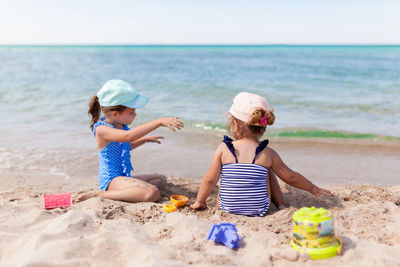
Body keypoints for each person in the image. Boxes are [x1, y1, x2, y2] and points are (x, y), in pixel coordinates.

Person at [190, 92, 332, 216]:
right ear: (263, 127)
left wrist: (200, 201)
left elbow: (210, 180)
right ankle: (280, 204)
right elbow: (291, 177)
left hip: (226, 209)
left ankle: (229, 202)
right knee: (266, 168)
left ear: (235, 125)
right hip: (258, 209)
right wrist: (313, 188)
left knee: (230, 171)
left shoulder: (224, 148)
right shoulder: (268, 154)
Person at [74, 79, 184, 203]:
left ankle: (126, 191)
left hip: (122, 177)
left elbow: (124, 147)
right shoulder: (102, 129)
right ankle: (99, 194)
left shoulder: (120, 125)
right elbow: (128, 136)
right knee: (152, 193)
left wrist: (145, 140)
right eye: (131, 112)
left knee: (160, 179)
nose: (135, 115)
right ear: (115, 114)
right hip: (111, 180)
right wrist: (158, 122)